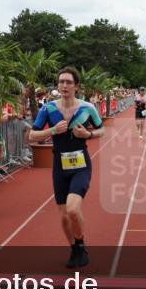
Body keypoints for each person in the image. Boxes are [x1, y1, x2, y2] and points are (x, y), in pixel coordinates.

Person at [27, 67, 103, 269]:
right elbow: (32, 136)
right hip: (59, 166)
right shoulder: (48, 109)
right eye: (61, 82)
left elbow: (101, 129)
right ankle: (74, 249)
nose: (64, 85)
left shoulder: (87, 108)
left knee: (73, 209)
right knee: (63, 215)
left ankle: (81, 244)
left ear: (76, 86)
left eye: (69, 82)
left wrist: (88, 135)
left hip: (81, 164)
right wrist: (52, 130)